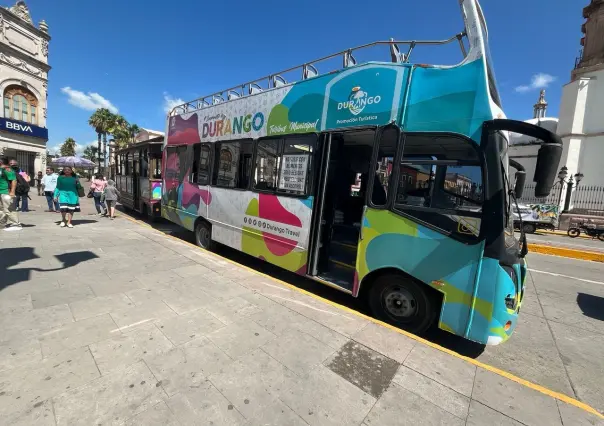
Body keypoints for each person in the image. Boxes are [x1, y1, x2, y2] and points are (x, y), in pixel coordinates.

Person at [0, 158, 21, 231]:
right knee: (1, 209)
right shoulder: (1, 169)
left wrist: (12, 191)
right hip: (1, 192)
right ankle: (2, 224)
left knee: (9, 208)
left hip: (6, 191)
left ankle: (15, 224)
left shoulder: (7, 170)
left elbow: (13, 180)